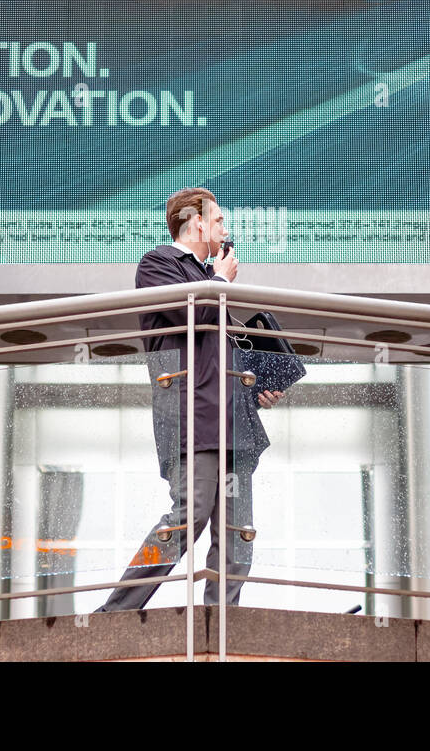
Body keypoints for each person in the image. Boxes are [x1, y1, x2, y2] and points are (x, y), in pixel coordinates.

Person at [96, 187, 283, 611]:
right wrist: (219, 282)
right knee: (187, 515)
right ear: (196, 221)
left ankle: (222, 620)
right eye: (219, 221)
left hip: (234, 421)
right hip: (190, 418)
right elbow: (189, 314)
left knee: (237, 528)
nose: (225, 230)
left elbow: (217, 358)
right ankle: (116, 611)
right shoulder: (158, 264)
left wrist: (257, 388)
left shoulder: (211, 280)